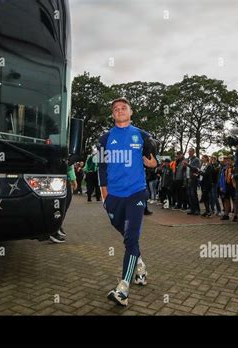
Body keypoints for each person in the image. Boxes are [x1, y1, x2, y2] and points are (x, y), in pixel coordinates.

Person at [98, 97, 157, 306]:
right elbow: (102, 168)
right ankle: (139, 263)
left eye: (124, 108)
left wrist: (153, 163)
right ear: (113, 115)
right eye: (116, 109)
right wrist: (104, 194)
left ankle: (123, 288)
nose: (120, 110)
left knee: (131, 238)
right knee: (124, 232)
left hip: (136, 193)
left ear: (131, 112)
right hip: (113, 196)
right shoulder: (105, 139)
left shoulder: (142, 135)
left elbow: (153, 160)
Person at [50, 165, 77, 243]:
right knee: (62, 206)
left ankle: (57, 227)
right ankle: (54, 230)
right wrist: (73, 179)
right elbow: (69, 165)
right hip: (61, 178)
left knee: (61, 205)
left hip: (58, 177)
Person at [185, 148, 201, 215]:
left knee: (193, 194)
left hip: (193, 179)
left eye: (191, 151)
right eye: (189, 151)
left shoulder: (196, 159)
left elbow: (196, 169)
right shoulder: (189, 159)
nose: (189, 153)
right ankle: (192, 209)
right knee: (189, 195)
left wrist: (188, 165)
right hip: (188, 178)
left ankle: (197, 210)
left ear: (194, 152)